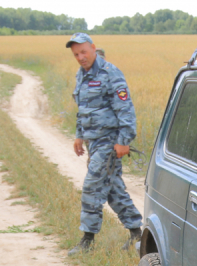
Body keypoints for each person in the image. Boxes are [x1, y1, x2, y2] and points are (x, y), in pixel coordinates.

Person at [65, 32, 141, 254]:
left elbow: (125, 108)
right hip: (93, 142)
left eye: (84, 52)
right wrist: (80, 135)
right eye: (76, 54)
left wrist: (124, 141)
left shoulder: (110, 73)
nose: (80, 57)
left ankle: (87, 241)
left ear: (93, 48)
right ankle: (137, 232)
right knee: (113, 189)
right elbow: (83, 110)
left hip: (109, 142)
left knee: (92, 186)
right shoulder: (82, 75)